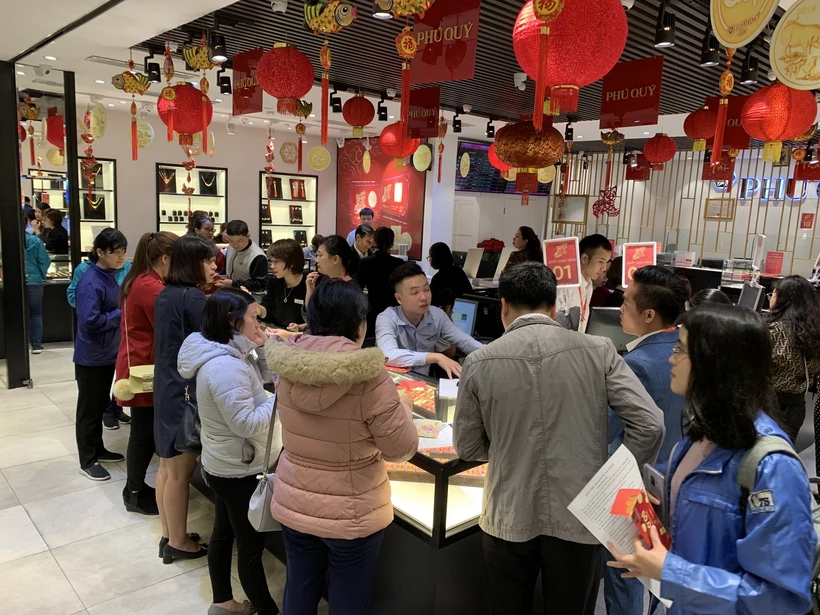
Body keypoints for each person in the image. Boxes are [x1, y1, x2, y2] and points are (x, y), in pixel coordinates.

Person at [453, 262, 664, 615]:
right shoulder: (600, 350)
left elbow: (468, 446)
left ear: (503, 305)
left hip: (508, 511)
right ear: (554, 307)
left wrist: (508, 446)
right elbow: (650, 424)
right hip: (581, 514)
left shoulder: (479, 361)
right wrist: (614, 480)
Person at [608, 304, 816, 615]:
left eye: (680, 349)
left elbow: (780, 598)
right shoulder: (698, 436)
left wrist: (671, 573)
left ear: (715, 362)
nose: (671, 358)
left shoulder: (772, 466)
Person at [266, 279, 418, 614]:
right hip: (352, 513)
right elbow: (400, 449)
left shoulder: (287, 365)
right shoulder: (370, 377)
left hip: (295, 499)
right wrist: (403, 409)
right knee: (349, 601)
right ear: (360, 326)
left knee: (299, 590)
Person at [178, 288, 280, 615]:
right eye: (252, 317)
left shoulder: (230, 352)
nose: (258, 323)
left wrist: (260, 345)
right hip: (239, 469)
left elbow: (264, 378)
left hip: (226, 462)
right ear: (232, 321)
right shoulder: (225, 366)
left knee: (223, 534)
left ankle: (223, 602)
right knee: (250, 547)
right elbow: (246, 423)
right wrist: (283, 399)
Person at [605, 266, 688, 615]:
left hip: (633, 485)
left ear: (649, 314)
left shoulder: (635, 364)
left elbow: (608, 431)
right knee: (659, 570)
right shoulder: (685, 349)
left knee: (623, 571)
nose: (621, 308)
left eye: (626, 301)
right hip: (675, 478)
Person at [154, 235, 217, 563]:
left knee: (167, 467)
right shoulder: (192, 297)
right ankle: (178, 542)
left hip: (166, 386)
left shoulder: (166, 292)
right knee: (180, 471)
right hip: (184, 391)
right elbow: (216, 339)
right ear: (192, 263)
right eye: (208, 260)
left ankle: (169, 535)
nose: (213, 266)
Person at [113, 231, 178, 515]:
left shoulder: (141, 280)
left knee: (143, 431)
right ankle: (135, 493)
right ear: (165, 258)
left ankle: (135, 488)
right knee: (143, 433)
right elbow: (169, 326)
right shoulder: (150, 286)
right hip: (143, 367)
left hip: (140, 361)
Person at [74, 229, 129, 481]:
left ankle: (98, 449)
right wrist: (120, 313)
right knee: (89, 410)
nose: (121, 257)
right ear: (99, 252)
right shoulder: (90, 281)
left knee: (98, 407)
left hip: (107, 352)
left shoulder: (109, 276)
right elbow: (89, 321)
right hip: (91, 356)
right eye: (115, 252)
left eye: (123, 251)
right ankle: (87, 460)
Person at [376, 262, 483, 378]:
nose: (423, 297)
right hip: (393, 383)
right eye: (415, 292)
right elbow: (388, 355)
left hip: (424, 383)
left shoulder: (437, 315)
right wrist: (435, 357)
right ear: (399, 298)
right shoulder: (387, 318)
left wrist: (492, 352)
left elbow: (465, 341)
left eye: (426, 289)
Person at [766, 275, 820, 442]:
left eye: (773, 294)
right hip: (797, 406)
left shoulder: (773, 330)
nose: (771, 298)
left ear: (783, 299)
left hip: (769, 406)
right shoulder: (814, 332)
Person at [355, 226, 404, 338]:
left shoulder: (365, 262)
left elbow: (358, 288)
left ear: (374, 241)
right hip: (394, 311)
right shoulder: (399, 263)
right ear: (391, 244)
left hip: (372, 310)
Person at [560, 234, 613, 332]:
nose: (604, 268)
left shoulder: (588, 285)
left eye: (606, 262)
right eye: (601, 261)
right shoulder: (566, 284)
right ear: (584, 258)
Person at [258, 239, 307, 331]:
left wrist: (300, 327)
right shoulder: (274, 282)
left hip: (300, 336)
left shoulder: (309, 284)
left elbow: (315, 321)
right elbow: (267, 312)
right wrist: (254, 306)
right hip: (276, 331)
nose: (272, 266)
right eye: (271, 261)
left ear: (292, 262)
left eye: (276, 261)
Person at [304, 235, 360, 308]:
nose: (316, 260)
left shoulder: (351, 291)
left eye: (320, 255)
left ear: (335, 259)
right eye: (317, 255)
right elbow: (310, 311)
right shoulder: (324, 280)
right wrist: (310, 291)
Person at [23, 209, 51, 354]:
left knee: (14, 312)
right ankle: (36, 345)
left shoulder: (7, 241)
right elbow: (44, 261)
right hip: (34, 280)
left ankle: (16, 345)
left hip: (14, 281)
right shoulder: (35, 241)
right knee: (35, 313)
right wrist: (41, 275)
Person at [220, 220, 268, 292]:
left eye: (239, 241)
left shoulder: (258, 256)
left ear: (248, 236)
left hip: (249, 295)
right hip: (232, 291)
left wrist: (233, 284)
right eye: (231, 241)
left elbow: (260, 283)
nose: (235, 245)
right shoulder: (230, 247)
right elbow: (228, 267)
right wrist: (220, 275)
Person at [428, 242, 473, 306]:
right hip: (463, 306)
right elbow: (469, 293)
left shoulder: (437, 278)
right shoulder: (459, 271)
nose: (429, 259)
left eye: (430, 256)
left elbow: (432, 301)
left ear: (436, 258)